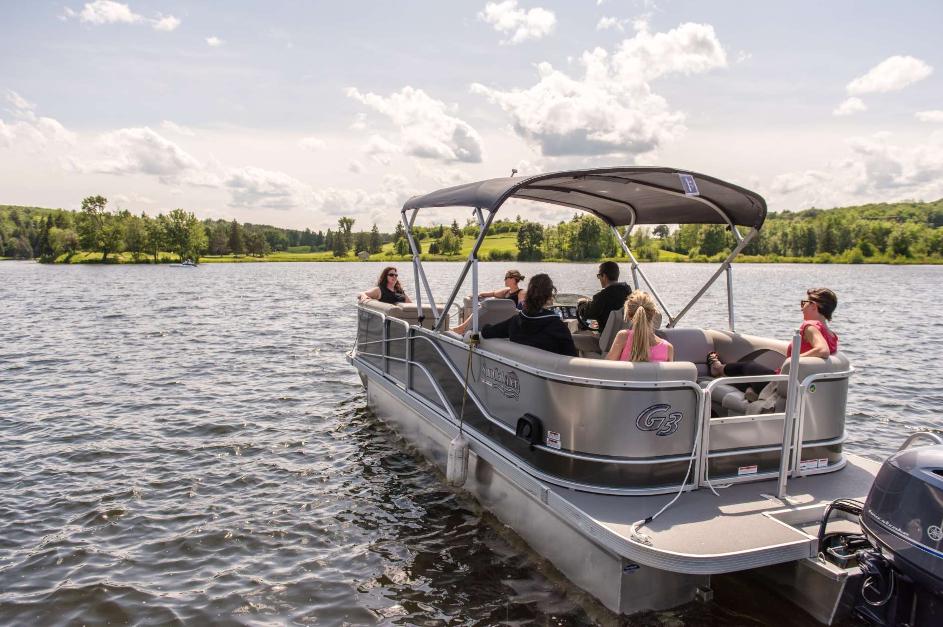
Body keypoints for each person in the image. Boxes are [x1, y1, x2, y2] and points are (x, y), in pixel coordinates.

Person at [707, 288, 839, 397]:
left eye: (803, 303)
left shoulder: (810, 326)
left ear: (814, 306)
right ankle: (750, 390)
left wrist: (791, 362)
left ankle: (717, 368)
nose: (801, 308)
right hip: (799, 386)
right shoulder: (831, 334)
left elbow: (823, 350)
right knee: (744, 378)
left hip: (781, 383)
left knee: (748, 366)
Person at [481, 273, 577, 357]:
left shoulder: (515, 322)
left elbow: (486, 332)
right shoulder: (558, 327)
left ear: (529, 294)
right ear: (549, 295)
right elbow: (572, 359)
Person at [451, 270, 527, 334]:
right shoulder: (506, 291)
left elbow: (521, 308)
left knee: (482, 308)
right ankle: (465, 328)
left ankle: (462, 328)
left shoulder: (521, 292)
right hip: (501, 317)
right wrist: (475, 296)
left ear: (513, 279)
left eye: (506, 278)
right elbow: (491, 293)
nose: (504, 280)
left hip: (510, 320)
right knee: (484, 306)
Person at [605, 292, 674, 362]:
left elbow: (608, 369)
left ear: (629, 315)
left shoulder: (623, 337)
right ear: (654, 313)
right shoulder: (668, 348)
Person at [577, 261, 632, 334]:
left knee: (572, 338)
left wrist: (581, 304)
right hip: (624, 340)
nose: (599, 278)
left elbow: (587, 314)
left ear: (604, 276)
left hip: (604, 343)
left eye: (599, 275)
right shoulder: (629, 292)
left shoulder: (601, 297)